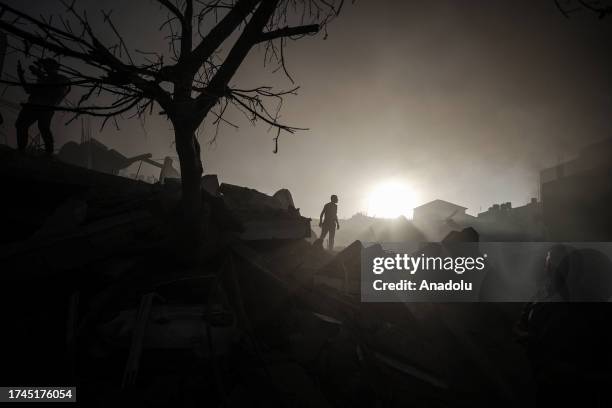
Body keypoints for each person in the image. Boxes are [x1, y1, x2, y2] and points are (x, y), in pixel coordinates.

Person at [16, 58, 70, 155]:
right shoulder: (45, 78)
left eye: (47, 66)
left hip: (44, 108)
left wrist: (40, 74)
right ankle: (22, 150)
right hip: (35, 106)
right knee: (23, 125)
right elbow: (28, 90)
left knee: (42, 128)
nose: (46, 69)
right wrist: (21, 75)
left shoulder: (61, 79)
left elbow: (57, 88)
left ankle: (48, 153)